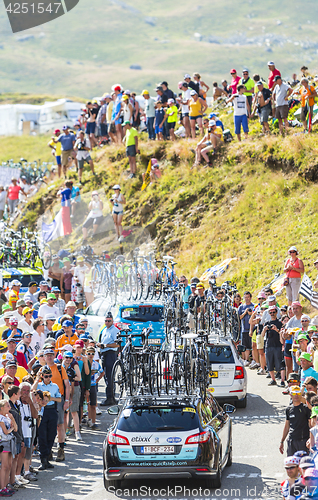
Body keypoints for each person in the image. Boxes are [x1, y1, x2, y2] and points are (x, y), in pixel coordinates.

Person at [43, 349, 70, 462]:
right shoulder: (42, 369)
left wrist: (67, 400)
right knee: (47, 426)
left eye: (51, 355)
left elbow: (67, 385)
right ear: (44, 357)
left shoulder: (60, 368)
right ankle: (49, 450)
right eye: (47, 355)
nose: (49, 357)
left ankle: (61, 449)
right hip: (45, 402)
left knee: (60, 425)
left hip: (59, 399)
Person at [32, 365, 61, 470]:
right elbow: (32, 390)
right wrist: (37, 378)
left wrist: (49, 398)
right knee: (42, 435)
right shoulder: (39, 385)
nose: (48, 378)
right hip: (42, 411)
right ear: (42, 376)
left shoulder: (55, 386)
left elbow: (59, 399)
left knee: (52, 434)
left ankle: (47, 456)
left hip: (52, 410)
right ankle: (43, 459)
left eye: (49, 376)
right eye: (46, 376)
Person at [280, 384, 311, 456]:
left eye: (298, 393)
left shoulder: (305, 408)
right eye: (294, 393)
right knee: (291, 465)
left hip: (303, 441)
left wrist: (310, 440)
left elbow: (311, 425)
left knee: (303, 465)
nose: (296, 395)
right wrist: (282, 441)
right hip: (292, 441)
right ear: (290, 394)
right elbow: (287, 426)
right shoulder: (289, 409)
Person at [97, 313, 119, 406]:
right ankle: (110, 397)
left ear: (112, 321)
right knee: (107, 377)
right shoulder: (105, 330)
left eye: (109, 321)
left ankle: (111, 398)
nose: (107, 322)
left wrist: (105, 345)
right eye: (106, 320)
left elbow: (117, 344)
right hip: (104, 354)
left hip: (110, 354)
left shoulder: (115, 330)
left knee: (109, 376)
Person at [62, 350, 82, 441]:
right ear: (63, 357)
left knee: (74, 411)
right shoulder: (60, 366)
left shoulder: (73, 366)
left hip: (73, 388)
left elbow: (78, 379)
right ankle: (63, 433)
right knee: (64, 413)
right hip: (62, 390)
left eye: (70, 358)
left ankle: (77, 433)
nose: (68, 359)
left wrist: (70, 377)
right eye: (67, 357)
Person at [0, 399, 18, 495]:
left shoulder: (7, 417)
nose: (10, 407)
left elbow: (16, 428)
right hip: (3, 443)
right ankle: (2, 488)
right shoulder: (0, 418)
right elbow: (6, 432)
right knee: (4, 466)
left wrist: (13, 419)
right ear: (1, 408)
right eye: (7, 406)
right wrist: (11, 428)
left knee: (9, 466)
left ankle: (6, 486)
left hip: (10, 442)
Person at [262, 305, 283, 386]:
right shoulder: (267, 323)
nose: (272, 314)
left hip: (277, 345)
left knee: (279, 363)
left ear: (276, 312)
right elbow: (262, 335)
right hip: (269, 345)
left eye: (274, 312)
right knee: (269, 363)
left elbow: (281, 334)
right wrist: (264, 329)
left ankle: (281, 380)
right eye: (270, 312)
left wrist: (276, 329)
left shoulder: (279, 323)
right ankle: (273, 379)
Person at [86, 346, 104, 429]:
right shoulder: (84, 363)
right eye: (89, 353)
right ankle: (85, 420)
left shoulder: (96, 364)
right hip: (85, 385)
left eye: (92, 354)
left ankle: (93, 422)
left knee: (93, 405)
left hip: (93, 385)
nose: (90, 355)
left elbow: (102, 372)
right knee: (85, 404)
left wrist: (97, 380)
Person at [238, 292, 254, 365]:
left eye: (248, 297)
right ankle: (246, 360)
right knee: (246, 346)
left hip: (253, 329)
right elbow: (239, 317)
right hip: (244, 329)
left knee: (253, 346)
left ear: (250, 297)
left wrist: (251, 314)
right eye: (245, 297)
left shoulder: (254, 306)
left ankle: (254, 360)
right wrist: (245, 312)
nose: (246, 299)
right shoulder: (241, 307)